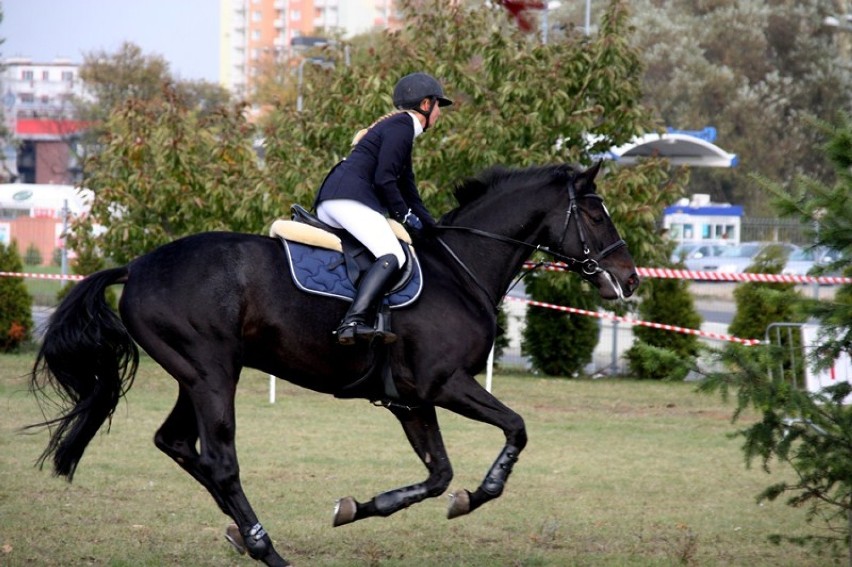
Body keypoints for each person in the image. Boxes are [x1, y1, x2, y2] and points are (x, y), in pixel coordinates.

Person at [314, 72, 453, 346]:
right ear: (426, 104)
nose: (439, 113)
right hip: (348, 199)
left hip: (337, 198)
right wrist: (405, 216)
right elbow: (384, 179)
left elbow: (408, 188)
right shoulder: (402, 127)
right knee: (392, 254)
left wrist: (432, 227)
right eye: (438, 106)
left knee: (382, 250)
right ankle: (353, 321)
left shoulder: (399, 129)